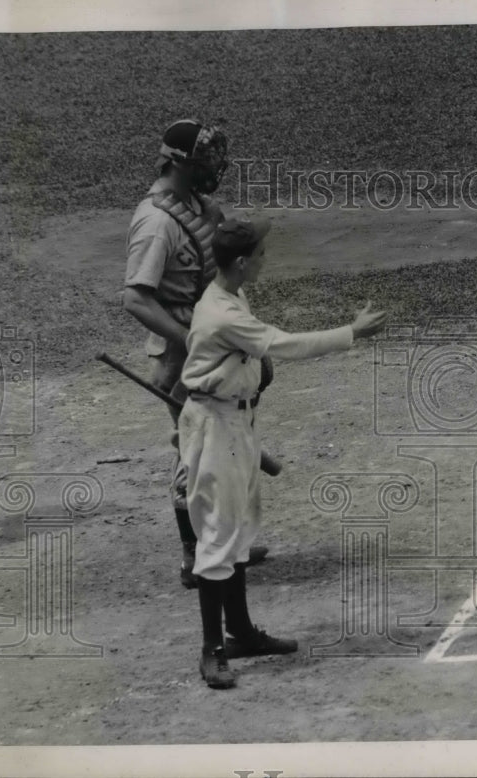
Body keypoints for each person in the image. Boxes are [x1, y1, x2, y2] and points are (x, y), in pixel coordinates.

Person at [179, 215, 387, 689]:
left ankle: (243, 633)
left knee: (238, 531)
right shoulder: (223, 313)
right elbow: (282, 344)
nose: (265, 260)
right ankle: (213, 652)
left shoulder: (231, 295)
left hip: (235, 423)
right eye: (260, 254)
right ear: (239, 261)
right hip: (217, 428)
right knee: (218, 537)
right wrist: (351, 333)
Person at [123, 119, 268, 588]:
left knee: (224, 448)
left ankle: (226, 542)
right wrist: (193, 340)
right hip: (182, 357)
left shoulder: (198, 208)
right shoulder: (155, 223)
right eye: (205, 161)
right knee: (197, 455)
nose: (214, 169)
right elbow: (136, 298)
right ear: (178, 163)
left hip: (214, 349)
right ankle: (195, 555)